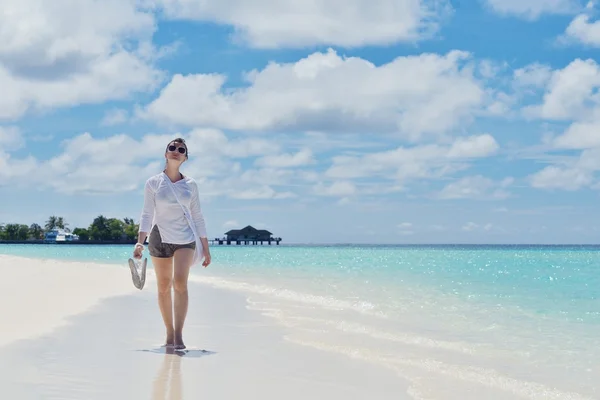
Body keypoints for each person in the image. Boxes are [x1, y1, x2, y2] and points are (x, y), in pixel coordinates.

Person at [133, 137, 211, 349]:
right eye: (172, 148)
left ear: (185, 157)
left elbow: (198, 215)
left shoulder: (190, 185)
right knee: (163, 287)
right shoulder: (153, 183)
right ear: (166, 153)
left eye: (181, 149)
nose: (176, 151)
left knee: (180, 284)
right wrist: (140, 242)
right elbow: (147, 214)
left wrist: (206, 247)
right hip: (159, 237)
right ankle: (169, 334)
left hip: (185, 239)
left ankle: (179, 335)